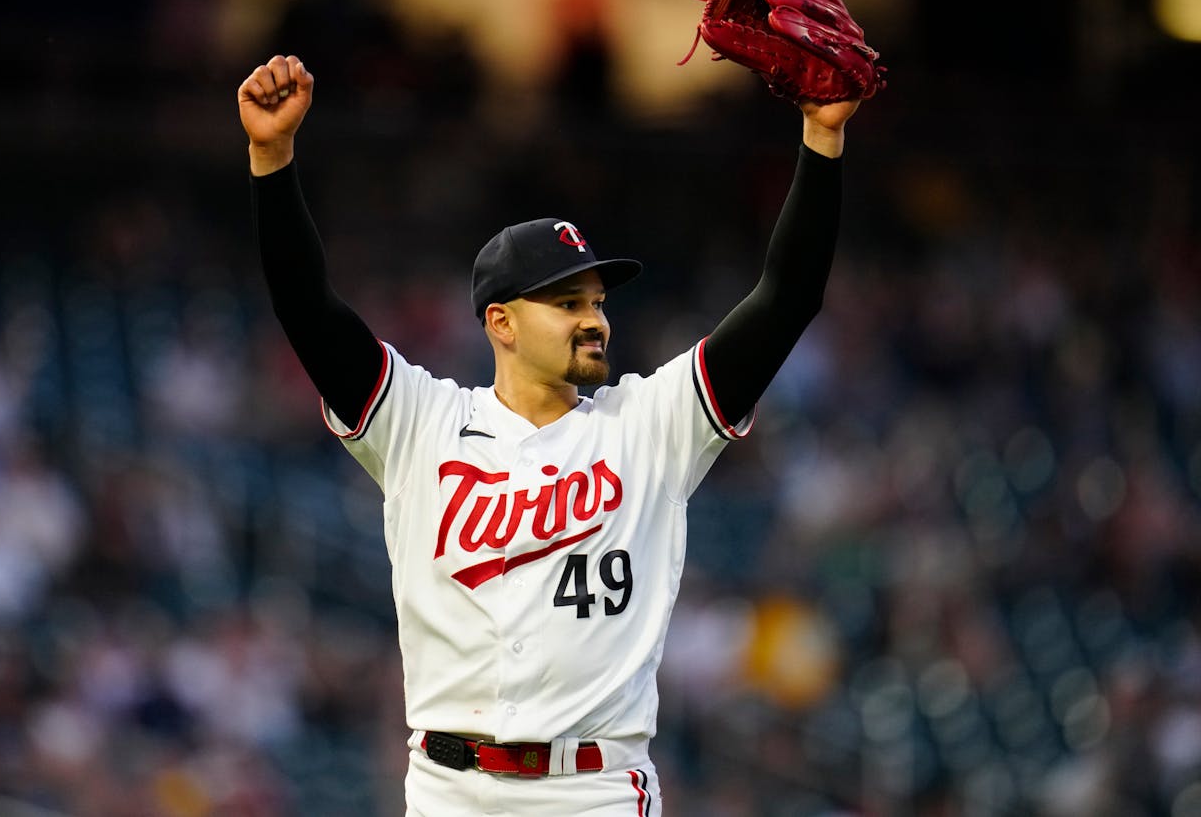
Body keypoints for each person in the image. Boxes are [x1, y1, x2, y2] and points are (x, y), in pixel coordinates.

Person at [239, 52, 859, 815]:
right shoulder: (418, 422)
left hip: (593, 789)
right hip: (448, 790)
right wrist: (272, 159)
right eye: (566, 301)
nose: (594, 317)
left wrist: (821, 139)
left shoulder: (652, 426)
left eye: (597, 299)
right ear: (500, 321)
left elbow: (786, 298)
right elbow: (307, 306)